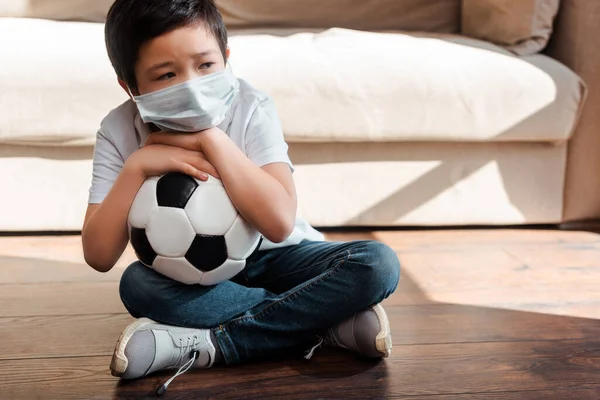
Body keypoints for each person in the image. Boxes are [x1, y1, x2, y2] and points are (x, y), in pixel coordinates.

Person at [81, 0, 400, 393]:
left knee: (377, 264)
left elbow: (280, 224)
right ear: (130, 87)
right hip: (188, 277)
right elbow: (98, 255)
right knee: (136, 285)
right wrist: (137, 167)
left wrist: (211, 140)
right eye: (166, 75)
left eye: (205, 66)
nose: (191, 86)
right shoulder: (117, 130)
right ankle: (325, 322)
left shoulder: (251, 106)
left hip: (276, 259)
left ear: (227, 57)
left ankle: (209, 344)